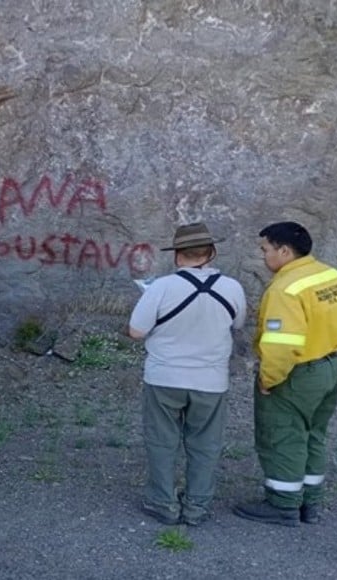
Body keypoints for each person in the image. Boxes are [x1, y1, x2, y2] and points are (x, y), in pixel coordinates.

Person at [233, 221, 337, 526]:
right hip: (330, 367)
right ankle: (309, 502)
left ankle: (283, 504)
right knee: (314, 435)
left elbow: (281, 345)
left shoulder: (285, 290)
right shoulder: (334, 277)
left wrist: (268, 379)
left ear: (284, 251)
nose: (263, 257)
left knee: (284, 436)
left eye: (266, 249)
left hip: (297, 374)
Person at [128, 222, 247, 525]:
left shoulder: (162, 287)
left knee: (162, 440)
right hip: (210, 380)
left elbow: (136, 331)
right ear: (212, 253)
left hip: (164, 377)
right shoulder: (233, 288)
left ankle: (162, 502)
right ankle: (197, 506)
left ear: (178, 256)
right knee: (205, 443)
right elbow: (237, 325)